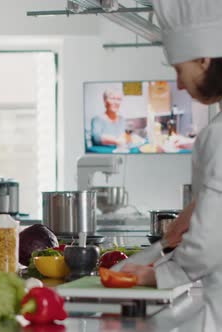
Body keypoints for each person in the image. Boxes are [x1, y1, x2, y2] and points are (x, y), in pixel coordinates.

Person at [120, 0, 222, 328]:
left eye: (180, 70)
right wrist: (196, 209)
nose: (178, 85)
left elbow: (208, 244)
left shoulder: (217, 135)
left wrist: (158, 275)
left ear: (204, 60)